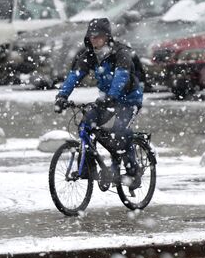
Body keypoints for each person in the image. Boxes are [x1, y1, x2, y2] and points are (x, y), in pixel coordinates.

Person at [53, 17, 143, 189]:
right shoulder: (89, 56)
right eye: (92, 36)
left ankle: (133, 172)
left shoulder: (120, 53)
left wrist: (112, 95)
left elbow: (121, 76)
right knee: (85, 126)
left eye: (98, 36)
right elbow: (74, 76)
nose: (95, 39)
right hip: (106, 100)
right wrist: (62, 96)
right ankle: (87, 168)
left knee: (120, 132)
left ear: (107, 37)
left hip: (129, 100)